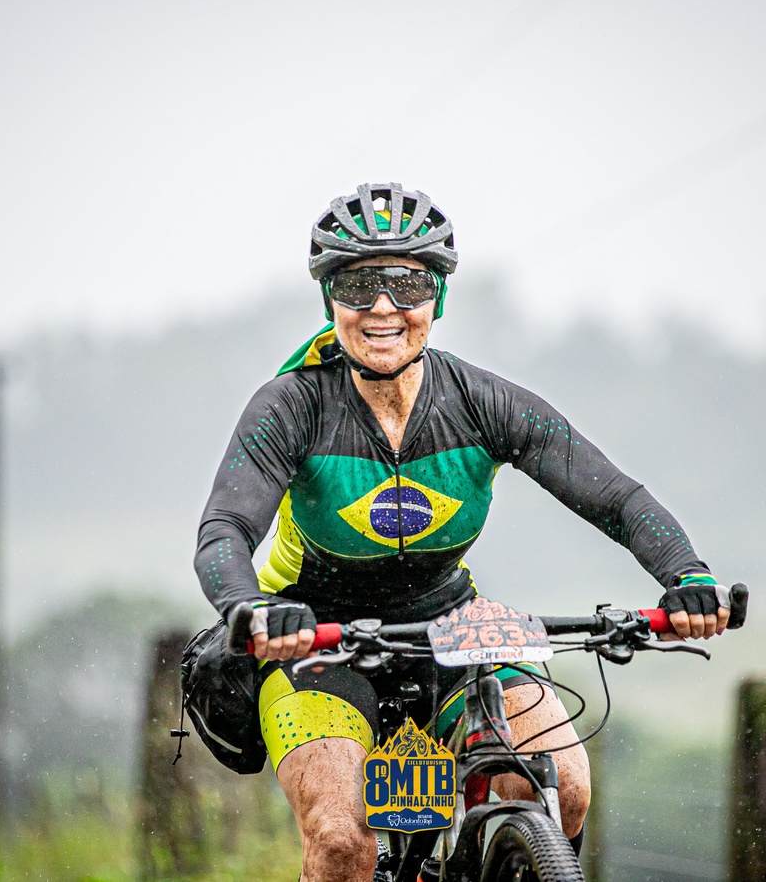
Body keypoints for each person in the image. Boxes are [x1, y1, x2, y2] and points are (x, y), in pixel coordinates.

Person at [193, 182, 731, 882]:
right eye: (358, 285)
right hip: (315, 639)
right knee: (341, 842)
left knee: (565, 788)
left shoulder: (482, 401)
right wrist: (254, 609)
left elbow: (616, 496)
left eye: (407, 283)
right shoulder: (292, 405)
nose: (382, 307)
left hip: (450, 625)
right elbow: (225, 529)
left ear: (437, 298)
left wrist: (686, 575)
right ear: (330, 299)